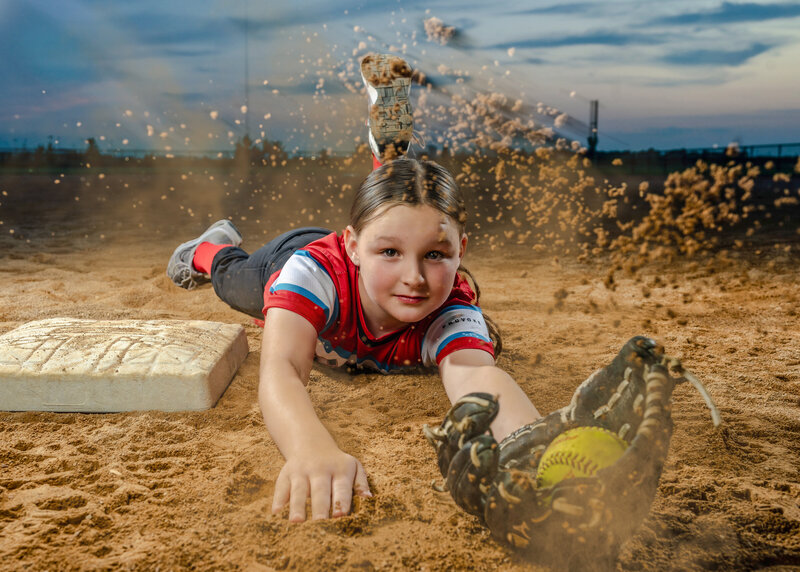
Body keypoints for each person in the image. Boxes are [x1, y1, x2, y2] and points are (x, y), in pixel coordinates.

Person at [166, 54, 542, 522]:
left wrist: (537, 455)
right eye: (391, 254)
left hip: (364, 242)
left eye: (436, 255)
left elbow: (478, 377)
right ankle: (207, 248)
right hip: (292, 258)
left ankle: (391, 171)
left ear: (461, 250)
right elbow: (282, 369)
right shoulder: (312, 276)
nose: (415, 278)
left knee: (396, 223)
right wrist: (310, 449)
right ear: (354, 246)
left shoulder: (451, 308)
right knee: (229, 279)